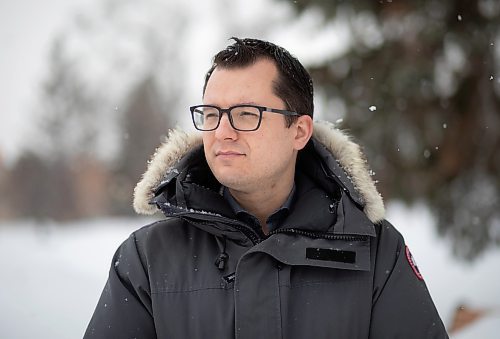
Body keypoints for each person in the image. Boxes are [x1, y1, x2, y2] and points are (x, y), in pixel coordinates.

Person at [84, 37, 448, 338]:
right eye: (211, 114)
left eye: (246, 114)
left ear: (300, 131)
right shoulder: (148, 258)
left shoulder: (375, 250)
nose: (222, 131)